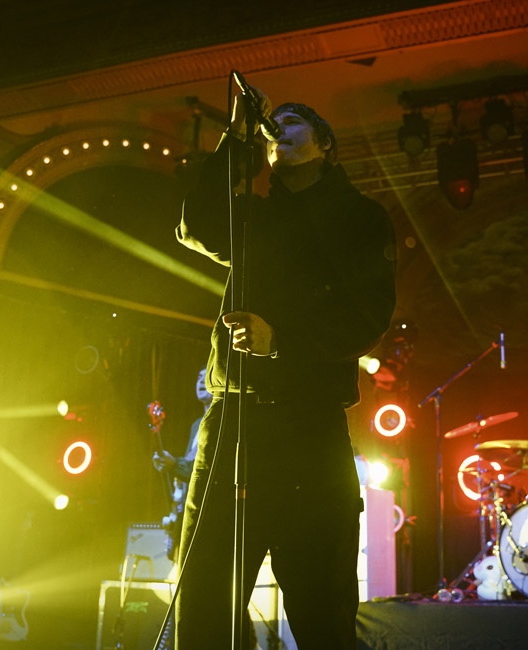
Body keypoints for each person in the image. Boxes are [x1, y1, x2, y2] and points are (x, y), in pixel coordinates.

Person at [174, 82, 396, 649]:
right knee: (204, 601)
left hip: (308, 426)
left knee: (321, 608)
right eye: (276, 124)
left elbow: (368, 317)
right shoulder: (252, 216)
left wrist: (283, 342)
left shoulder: (361, 219)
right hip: (232, 424)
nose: (281, 129)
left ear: (325, 144)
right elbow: (195, 225)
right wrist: (237, 140)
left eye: (293, 121)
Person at [151, 366, 213, 555]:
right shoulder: (196, 425)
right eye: (198, 377)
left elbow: (208, 469)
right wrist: (169, 466)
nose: (200, 381)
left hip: (207, 517)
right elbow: (190, 468)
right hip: (186, 513)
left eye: (207, 376)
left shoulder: (222, 421)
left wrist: (175, 464)